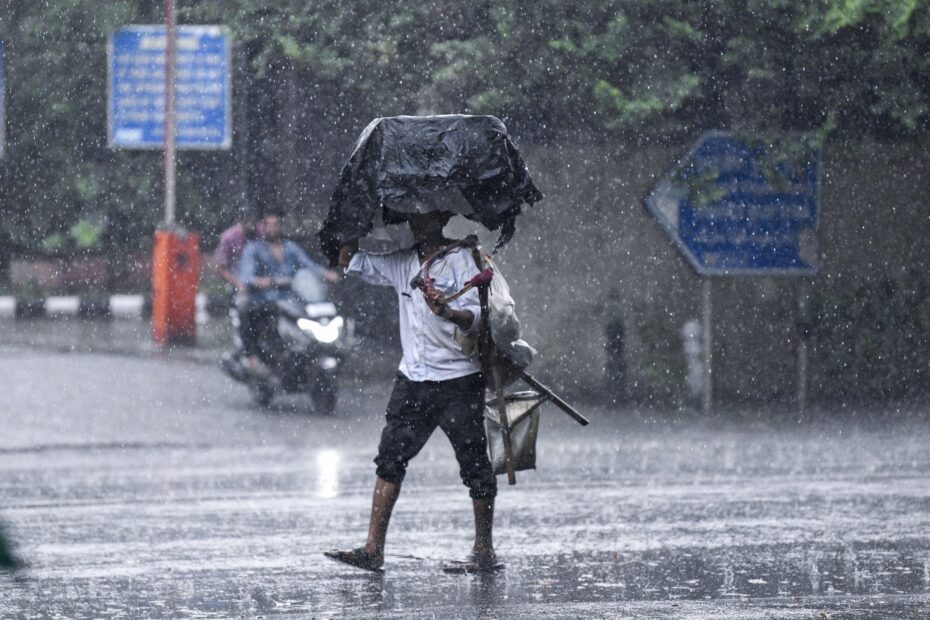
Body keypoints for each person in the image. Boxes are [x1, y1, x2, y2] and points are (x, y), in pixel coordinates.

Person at [325, 210, 498, 573]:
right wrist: (349, 221)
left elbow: (476, 316)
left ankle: (484, 551)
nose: (418, 223)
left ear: (441, 218)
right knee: (389, 460)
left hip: (459, 381)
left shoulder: (461, 260)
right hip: (414, 381)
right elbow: (350, 260)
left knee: (475, 466)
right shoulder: (403, 263)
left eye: (426, 215)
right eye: (413, 216)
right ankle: (373, 549)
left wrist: (448, 312)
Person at [238, 212, 340, 375]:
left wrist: (326, 274)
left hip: (291, 300)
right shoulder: (254, 249)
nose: (272, 228)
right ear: (263, 227)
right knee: (253, 316)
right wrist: (263, 282)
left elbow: (308, 265)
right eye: (268, 224)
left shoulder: (291, 247)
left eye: (276, 224)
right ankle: (255, 357)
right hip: (265, 300)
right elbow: (246, 277)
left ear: (281, 227)